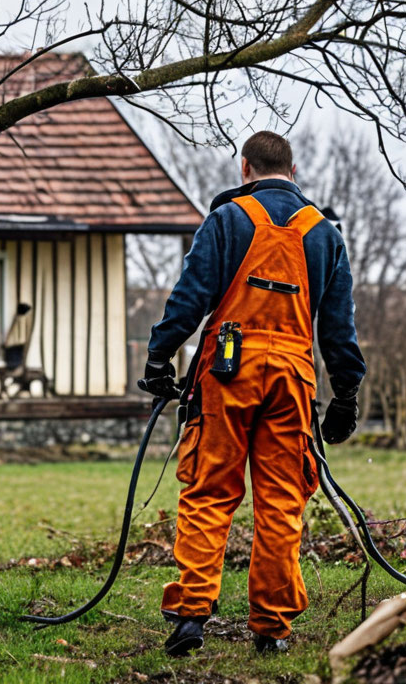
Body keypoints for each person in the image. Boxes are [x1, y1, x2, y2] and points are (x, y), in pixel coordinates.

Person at [140, 130, 365, 657]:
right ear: (293, 169)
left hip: (227, 371)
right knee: (282, 500)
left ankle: (192, 614)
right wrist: (346, 394)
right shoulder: (324, 234)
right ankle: (271, 627)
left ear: (245, 168)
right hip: (292, 376)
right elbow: (338, 329)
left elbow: (190, 298)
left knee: (208, 491)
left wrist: (159, 357)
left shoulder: (226, 220)